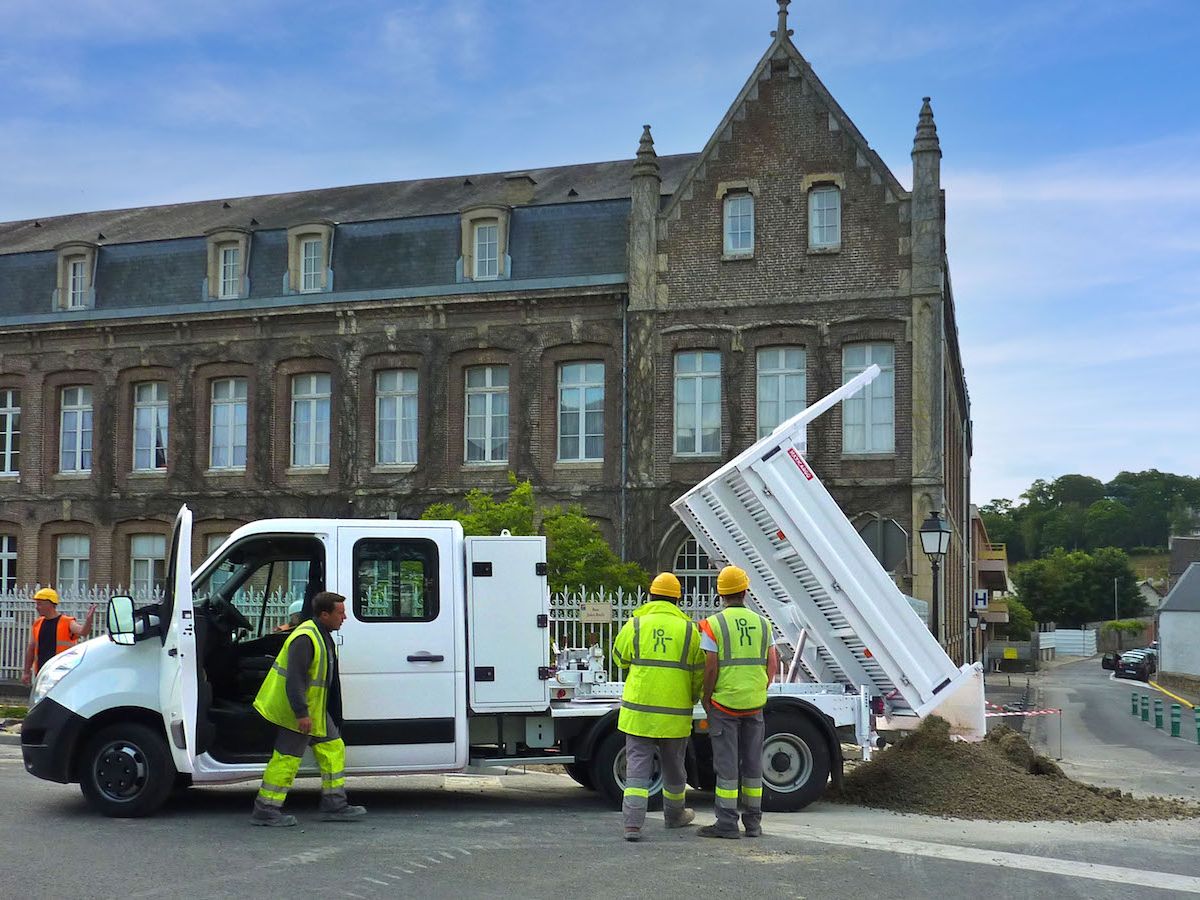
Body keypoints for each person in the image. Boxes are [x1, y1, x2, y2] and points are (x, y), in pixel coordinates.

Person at [249, 591, 365, 827]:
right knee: (286, 759)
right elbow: (295, 679)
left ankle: (335, 805)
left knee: (333, 747)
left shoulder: (321, 634)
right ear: (325, 614)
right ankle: (266, 809)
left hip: (315, 710)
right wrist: (301, 713)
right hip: (297, 712)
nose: (344, 618)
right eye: (340, 613)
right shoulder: (306, 638)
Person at [611, 572, 705, 842]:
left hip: (639, 712)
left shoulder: (636, 624)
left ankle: (632, 825)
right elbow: (698, 671)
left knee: (637, 768)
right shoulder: (689, 629)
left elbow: (619, 658)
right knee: (675, 767)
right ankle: (674, 816)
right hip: (674, 714)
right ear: (678, 599)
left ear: (650, 596)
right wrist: (693, 697)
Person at [697, 565, 778, 839]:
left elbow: (710, 668)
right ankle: (753, 824)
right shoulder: (763, 623)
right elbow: (772, 664)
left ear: (721, 594)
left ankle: (727, 824)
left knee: (727, 767)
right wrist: (759, 688)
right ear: (745, 591)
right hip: (754, 705)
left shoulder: (713, 625)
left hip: (724, 705)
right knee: (753, 765)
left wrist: (706, 698)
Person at [21, 588, 96, 685]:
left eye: (39, 604)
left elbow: (83, 632)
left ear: (50, 604)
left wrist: (89, 621)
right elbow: (31, 648)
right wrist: (26, 672)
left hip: (62, 673)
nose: (37, 607)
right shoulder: (37, 623)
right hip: (41, 672)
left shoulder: (67, 622)